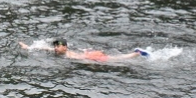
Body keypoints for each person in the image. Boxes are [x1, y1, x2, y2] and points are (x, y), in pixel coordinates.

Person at [18, 38, 149, 61]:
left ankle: (136, 53)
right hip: (89, 54)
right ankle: (136, 53)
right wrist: (28, 47)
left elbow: (82, 59)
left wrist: (91, 63)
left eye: (59, 46)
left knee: (116, 60)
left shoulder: (68, 54)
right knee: (115, 59)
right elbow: (44, 47)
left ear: (65, 47)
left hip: (91, 57)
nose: (56, 48)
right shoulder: (58, 51)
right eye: (55, 46)